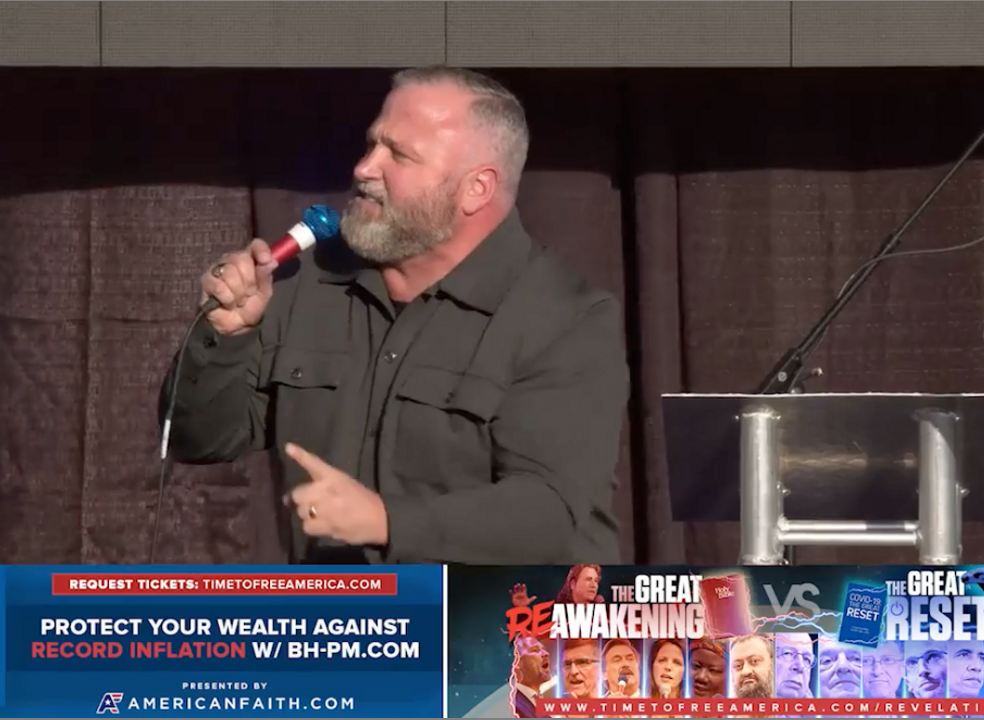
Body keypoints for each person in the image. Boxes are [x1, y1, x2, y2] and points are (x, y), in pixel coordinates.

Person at [158, 65, 630, 565]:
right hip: (342, 612)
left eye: (399, 155)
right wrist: (226, 336)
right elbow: (196, 439)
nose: (364, 168)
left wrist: (386, 521)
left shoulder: (566, 318)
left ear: (477, 188)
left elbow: (549, 513)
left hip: (492, 614)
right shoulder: (307, 281)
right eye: (371, 145)